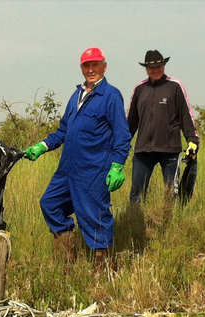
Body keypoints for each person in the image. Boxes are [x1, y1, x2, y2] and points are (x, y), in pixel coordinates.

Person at [23, 47, 132, 265]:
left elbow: (122, 135)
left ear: (104, 66)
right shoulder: (77, 94)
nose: (91, 69)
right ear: (81, 68)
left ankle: (104, 269)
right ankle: (68, 253)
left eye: (95, 65)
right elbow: (64, 129)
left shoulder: (110, 96)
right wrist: (42, 146)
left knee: (94, 216)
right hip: (68, 169)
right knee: (50, 203)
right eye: (86, 65)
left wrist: (118, 166)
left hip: (93, 169)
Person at [127, 49, 199, 205]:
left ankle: (169, 225)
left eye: (159, 66)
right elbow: (131, 122)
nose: (156, 70)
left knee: (171, 192)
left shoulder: (175, 86)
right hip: (143, 150)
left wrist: (192, 140)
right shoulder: (140, 89)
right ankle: (134, 224)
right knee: (136, 193)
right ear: (146, 68)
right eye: (152, 67)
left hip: (170, 149)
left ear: (164, 65)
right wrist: (121, 145)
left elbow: (186, 116)